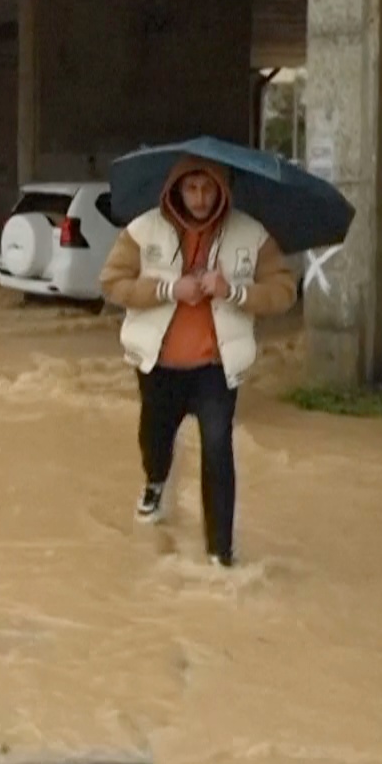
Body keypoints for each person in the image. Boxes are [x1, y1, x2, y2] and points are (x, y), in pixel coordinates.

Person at [98, 156, 297, 567]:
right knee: (154, 440)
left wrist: (235, 292)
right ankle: (155, 482)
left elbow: (283, 290)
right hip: (159, 364)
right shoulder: (143, 229)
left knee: (218, 449)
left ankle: (219, 553)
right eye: (191, 188)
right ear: (176, 189)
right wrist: (171, 289)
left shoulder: (251, 234)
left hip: (216, 367)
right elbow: (112, 283)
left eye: (208, 189)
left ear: (222, 190)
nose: (200, 198)